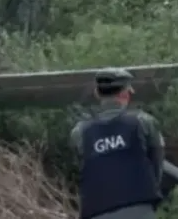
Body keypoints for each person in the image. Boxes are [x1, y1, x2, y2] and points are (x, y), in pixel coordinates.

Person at [71, 67, 165, 219]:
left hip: (97, 212)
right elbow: (157, 164)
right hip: (140, 209)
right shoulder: (143, 122)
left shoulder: (80, 133)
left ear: (97, 93)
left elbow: (80, 171)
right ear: (125, 94)